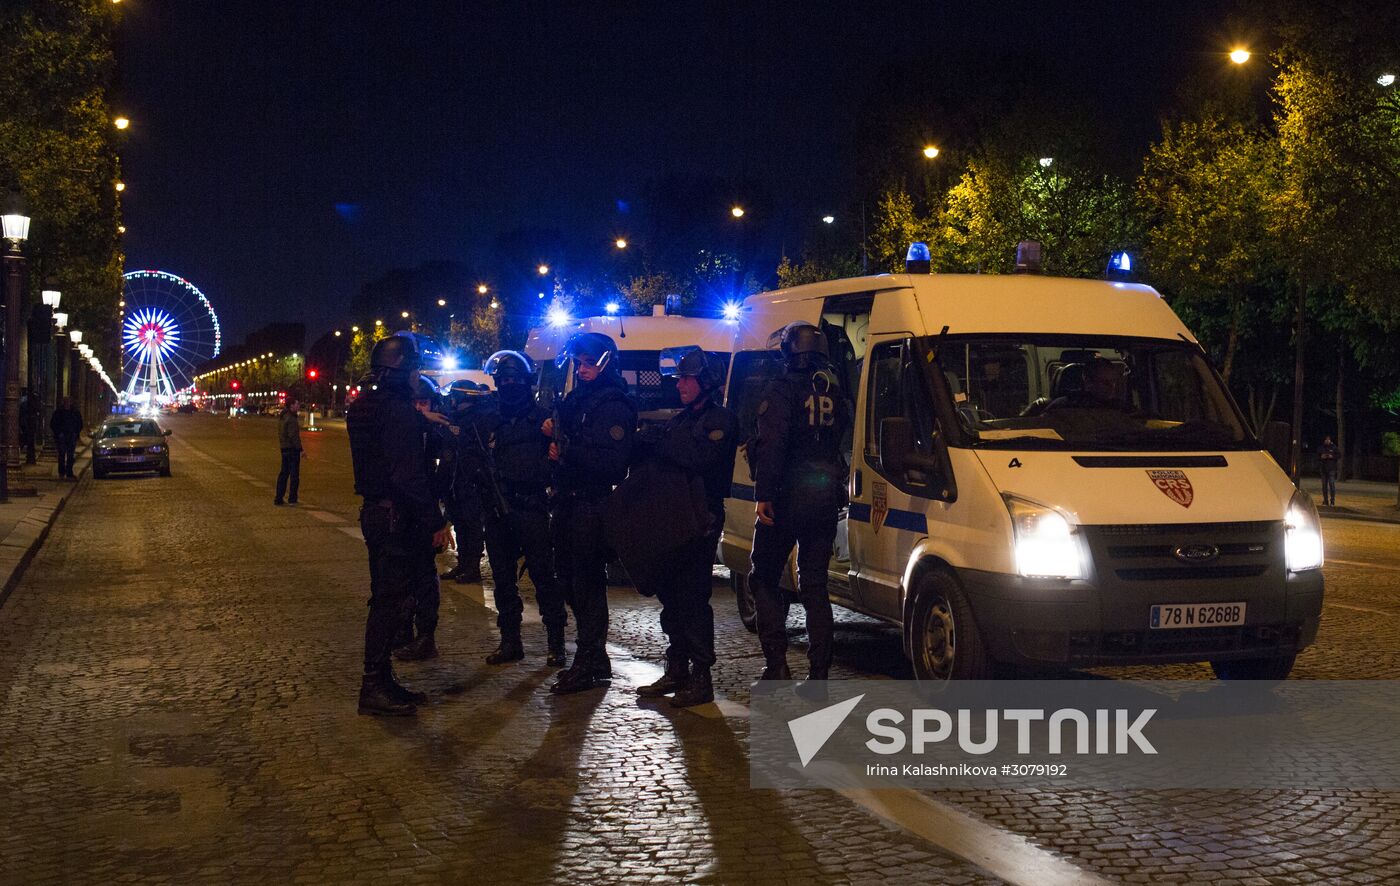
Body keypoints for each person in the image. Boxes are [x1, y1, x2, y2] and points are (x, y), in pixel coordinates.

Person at [346, 334, 450, 716]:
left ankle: (383, 679)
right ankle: (373, 684)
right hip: (395, 517)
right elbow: (408, 475)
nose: (417, 376)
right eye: (413, 368)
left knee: (386, 599)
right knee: (390, 602)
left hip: (376, 512)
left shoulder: (362, 407)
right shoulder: (398, 411)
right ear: (402, 370)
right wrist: (435, 521)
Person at [634, 347, 737, 707]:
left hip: (702, 515)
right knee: (672, 594)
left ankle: (701, 676)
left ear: (705, 381)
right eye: (680, 379)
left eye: (687, 378)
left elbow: (700, 458)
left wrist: (661, 441)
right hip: (674, 514)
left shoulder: (720, 419)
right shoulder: (682, 420)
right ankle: (677, 667)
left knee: (694, 596)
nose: (681, 385)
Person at [748, 322, 850, 683]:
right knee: (815, 587)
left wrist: (764, 495)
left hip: (787, 498)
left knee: (763, 579)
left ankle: (776, 664)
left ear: (789, 351)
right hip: (823, 498)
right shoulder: (834, 391)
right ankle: (819, 675)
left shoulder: (782, 389)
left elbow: (771, 445)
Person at [545, 331, 636, 694]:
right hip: (568, 500)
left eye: (586, 363)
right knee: (567, 578)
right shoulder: (578, 398)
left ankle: (589, 659)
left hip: (592, 503)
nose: (580, 369)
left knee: (586, 582)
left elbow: (612, 463)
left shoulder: (614, 403)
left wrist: (568, 451)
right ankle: (593, 656)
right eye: (577, 363)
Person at [477, 350, 568, 667]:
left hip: (531, 507)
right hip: (499, 509)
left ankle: (556, 643)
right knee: (503, 581)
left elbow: (560, 461)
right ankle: (510, 641)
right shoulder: (488, 418)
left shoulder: (543, 418)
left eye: (516, 380)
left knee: (544, 578)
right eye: (504, 380)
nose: (510, 384)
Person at [392, 376, 458, 663]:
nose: (420, 408)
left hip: (427, 512)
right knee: (399, 576)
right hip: (402, 512)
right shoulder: (401, 431)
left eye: (424, 403)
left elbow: (445, 477)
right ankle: (403, 630)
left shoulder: (438, 434)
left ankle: (426, 635)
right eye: (415, 404)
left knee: (424, 577)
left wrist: (441, 520)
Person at [437, 380, 490, 584]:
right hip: (455, 481)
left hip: (471, 481)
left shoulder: (477, 419)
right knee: (460, 524)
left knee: (472, 525)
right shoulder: (455, 419)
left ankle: (472, 567)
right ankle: (463, 564)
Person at [274, 398, 302, 505]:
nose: (298, 406)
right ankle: (292, 498)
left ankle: (279, 497)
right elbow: (293, 436)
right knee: (294, 475)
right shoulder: (291, 418)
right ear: (291, 406)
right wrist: (300, 449)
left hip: (284, 448)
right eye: (297, 404)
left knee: (284, 473)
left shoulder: (283, 417)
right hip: (292, 449)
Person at [51, 397, 83, 480]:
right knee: (61, 455)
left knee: (70, 456)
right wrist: (59, 433)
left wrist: (75, 433)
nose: (67, 403)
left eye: (68, 402)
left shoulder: (75, 412)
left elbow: (79, 423)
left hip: (71, 436)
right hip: (62, 436)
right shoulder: (59, 412)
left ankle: (69, 472)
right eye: (65, 402)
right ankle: (62, 472)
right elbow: (53, 423)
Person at [1318, 435, 1340, 507]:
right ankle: (1325, 501)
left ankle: (1332, 501)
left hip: (1331, 469)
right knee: (1324, 486)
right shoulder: (1321, 447)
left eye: (1328, 439)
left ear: (1330, 440)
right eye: (1326, 439)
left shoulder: (1334, 447)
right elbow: (1317, 456)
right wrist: (1321, 457)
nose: (1327, 441)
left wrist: (1332, 456)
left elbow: (1339, 455)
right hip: (1323, 469)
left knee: (1331, 484)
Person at [19, 388, 38, 465]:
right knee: (28, 436)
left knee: (25, 435)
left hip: (25, 421)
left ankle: (24, 448)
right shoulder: (32, 400)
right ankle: (25, 449)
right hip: (28, 421)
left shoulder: (23, 400)